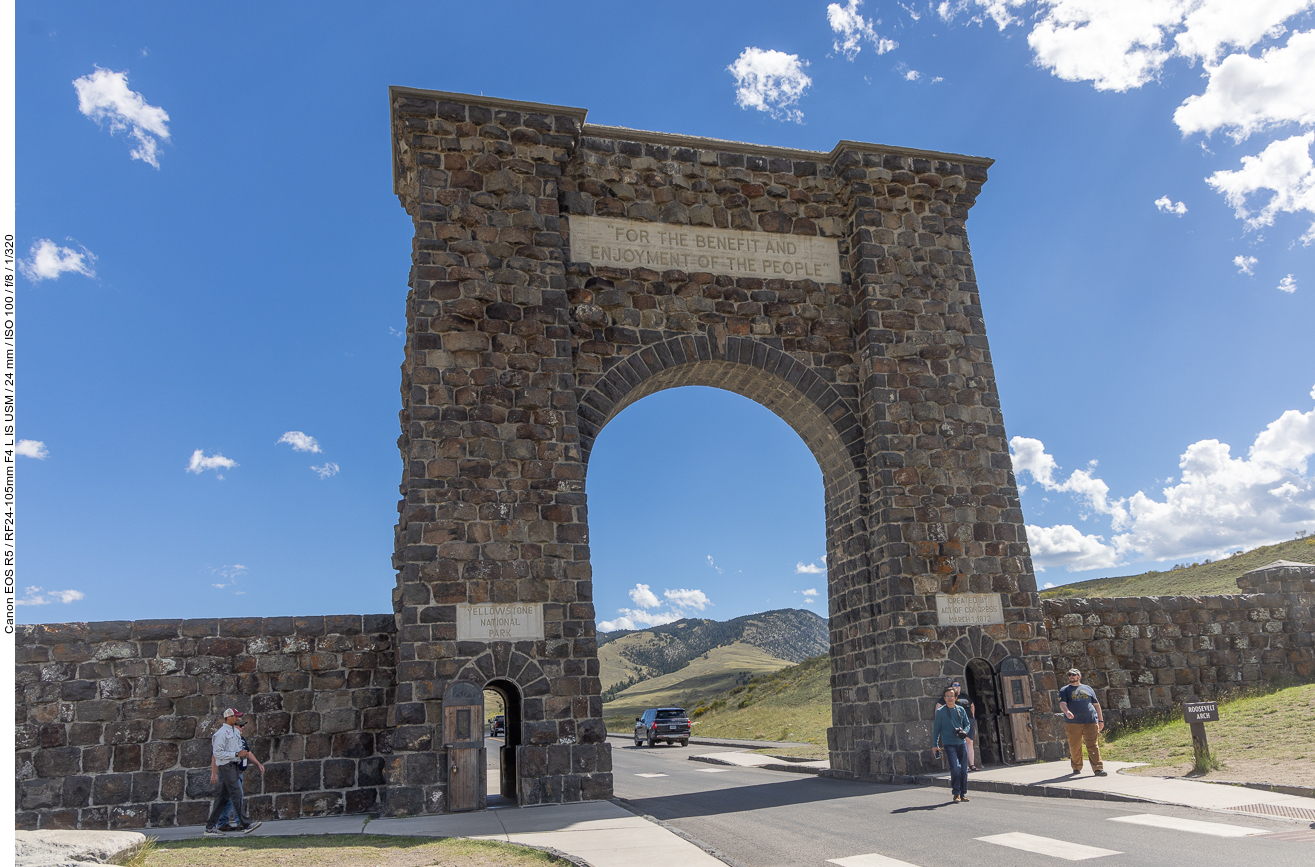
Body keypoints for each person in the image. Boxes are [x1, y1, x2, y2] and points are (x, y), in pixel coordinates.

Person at [204, 708, 263, 835]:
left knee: (224, 797)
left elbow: (238, 748)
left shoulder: (234, 732)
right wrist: (236, 754)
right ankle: (246, 823)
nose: (238, 719)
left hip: (234, 766)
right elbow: (217, 753)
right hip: (226, 766)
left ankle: (210, 827)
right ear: (229, 717)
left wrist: (243, 754)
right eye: (236, 717)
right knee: (236, 794)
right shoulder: (221, 733)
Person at [1059, 668, 1106, 776]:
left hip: (1090, 721)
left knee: (1093, 745)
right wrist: (1067, 712)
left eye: (1073, 675)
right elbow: (1062, 703)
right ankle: (1076, 767)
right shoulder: (1065, 690)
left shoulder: (1088, 688)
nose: (1071, 676)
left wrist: (1100, 720)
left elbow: (1096, 705)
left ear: (1079, 676)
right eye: (1069, 675)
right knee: (1075, 745)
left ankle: (1098, 769)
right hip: (1073, 723)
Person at [932, 685, 972, 803]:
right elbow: (936, 729)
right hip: (949, 744)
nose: (950, 698)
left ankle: (963, 793)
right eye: (947, 696)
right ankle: (956, 793)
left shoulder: (961, 709)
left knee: (964, 769)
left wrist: (965, 731)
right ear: (944, 698)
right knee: (955, 768)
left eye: (952, 696)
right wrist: (935, 745)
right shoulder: (940, 712)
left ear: (956, 697)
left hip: (961, 743)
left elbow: (967, 724)